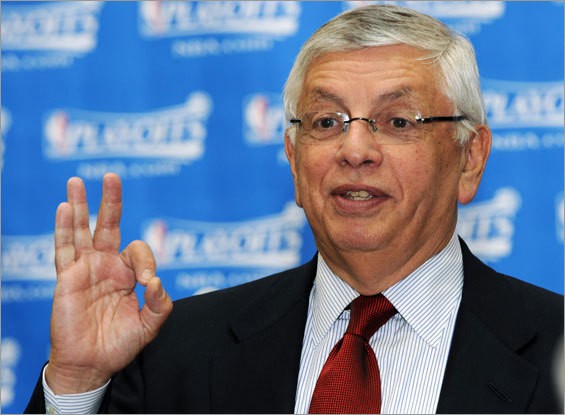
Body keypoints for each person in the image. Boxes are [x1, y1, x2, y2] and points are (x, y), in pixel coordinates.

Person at [25, 4, 563, 414]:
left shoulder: (553, 347)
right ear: (293, 157)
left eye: (398, 122)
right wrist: (78, 384)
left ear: (470, 158)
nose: (355, 150)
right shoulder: (178, 352)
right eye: (327, 122)